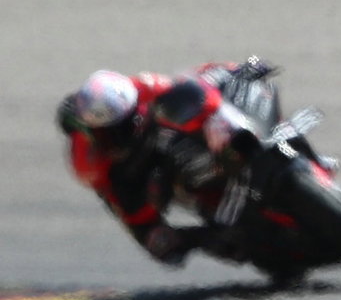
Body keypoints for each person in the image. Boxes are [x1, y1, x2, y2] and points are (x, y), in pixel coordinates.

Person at [56, 57, 291, 268]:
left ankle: (262, 140)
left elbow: (197, 85)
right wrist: (156, 235)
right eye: (102, 133)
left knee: (222, 82)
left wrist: (239, 69)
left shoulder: (145, 86)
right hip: (156, 173)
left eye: (119, 127)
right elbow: (122, 206)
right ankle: (213, 233)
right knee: (165, 247)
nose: (113, 137)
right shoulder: (87, 161)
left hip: (181, 137)